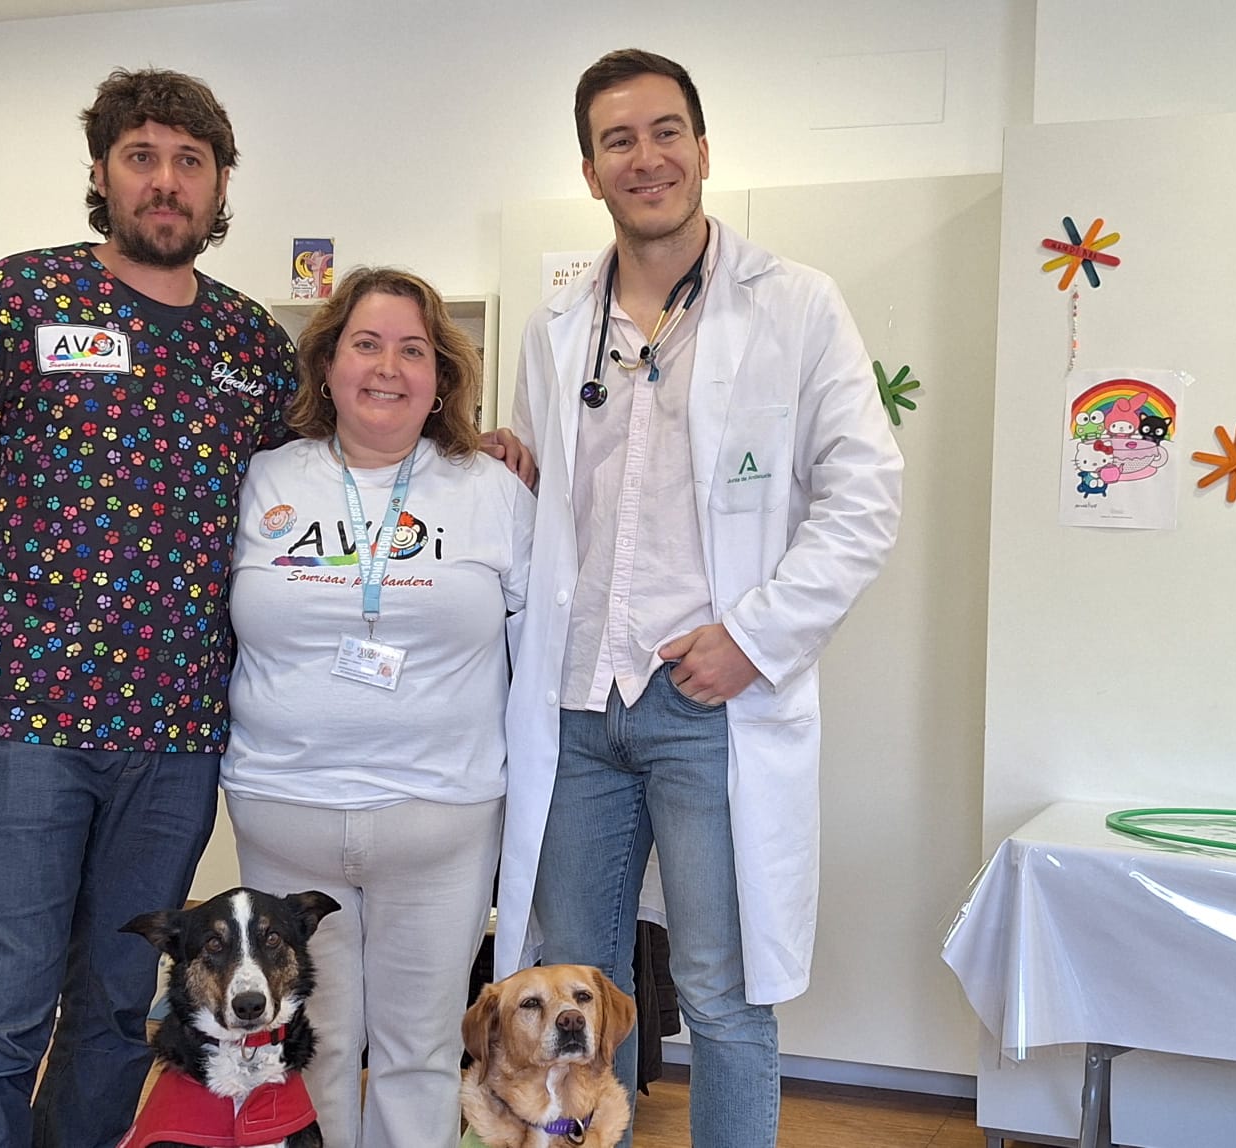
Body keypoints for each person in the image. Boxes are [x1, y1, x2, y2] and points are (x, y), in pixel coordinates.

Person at [0, 68, 298, 1148]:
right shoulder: (19, 297)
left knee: (120, 1012)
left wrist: (472, 443)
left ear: (218, 187)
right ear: (104, 174)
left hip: (176, 736)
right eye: (141, 157)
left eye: (189, 163)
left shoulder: (251, 344)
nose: (165, 182)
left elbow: (348, 463)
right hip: (22, 723)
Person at [493, 48, 905, 1148]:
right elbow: (541, 512)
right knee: (576, 1003)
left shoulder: (798, 306)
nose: (646, 157)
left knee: (723, 995)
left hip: (707, 703)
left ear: (705, 149)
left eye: (666, 131)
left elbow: (866, 497)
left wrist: (756, 639)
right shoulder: (556, 326)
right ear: (589, 171)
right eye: (618, 140)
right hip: (580, 706)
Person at [222, 266, 533, 1148]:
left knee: (421, 1052)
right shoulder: (260, 481)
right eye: (366, 344)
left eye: (413, 349)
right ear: (326, 365)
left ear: (441, 378)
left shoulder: (490, 490)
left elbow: (543, 639)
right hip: (287, 819)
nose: (388, 367)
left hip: (439, 823)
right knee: (307, 1048)